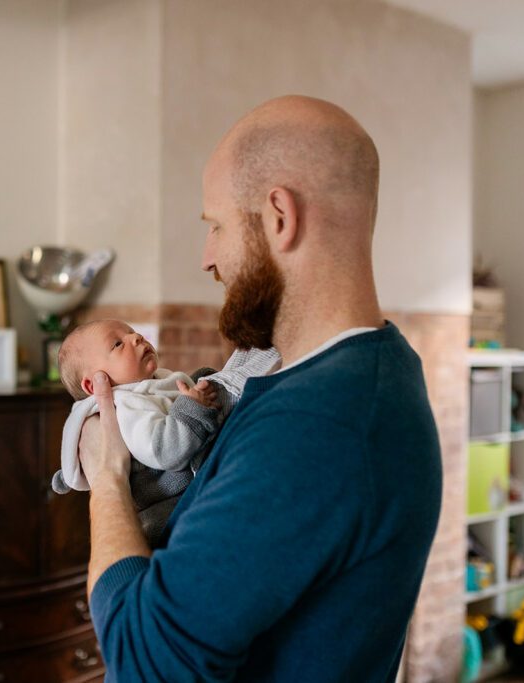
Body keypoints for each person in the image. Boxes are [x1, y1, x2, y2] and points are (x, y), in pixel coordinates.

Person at [77, 95, 443, 681]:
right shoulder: (348, 373)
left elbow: (143, 662)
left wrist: (107, 476)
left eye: (216, 226)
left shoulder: (322, 423)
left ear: (279, 217)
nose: (208, 258)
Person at [51, 318, 279, 543]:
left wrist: (201, 382)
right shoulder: (127, 406)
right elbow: (165, 449)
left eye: (131, 332)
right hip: (163, 509)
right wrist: (193, 406)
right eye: (118, 344)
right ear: (93, 384)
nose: (135, 337)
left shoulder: (153, 383)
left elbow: (173, 397)